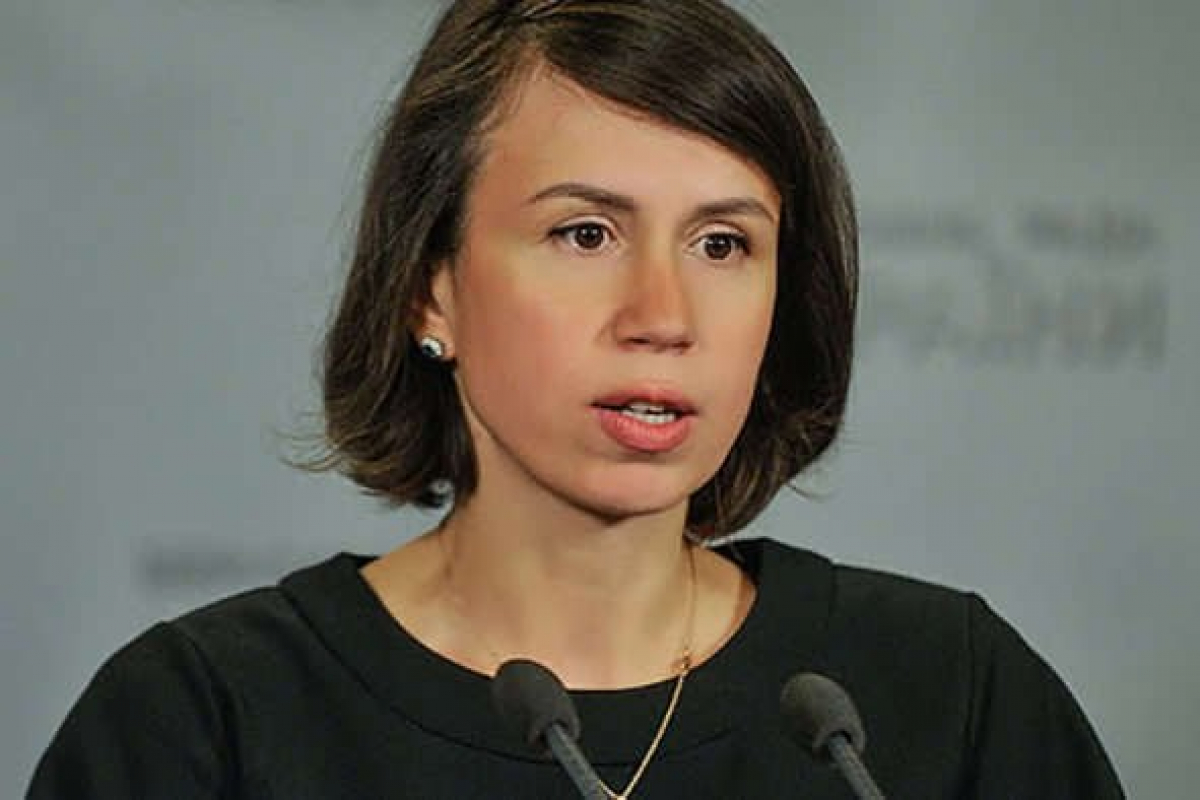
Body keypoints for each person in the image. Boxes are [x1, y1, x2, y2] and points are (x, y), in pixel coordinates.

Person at [28, 1, 1125, 797]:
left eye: (723, 243)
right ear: (429, 285)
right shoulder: (201, 723)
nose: (663, 313)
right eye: (586, 233)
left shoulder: (949, 698)